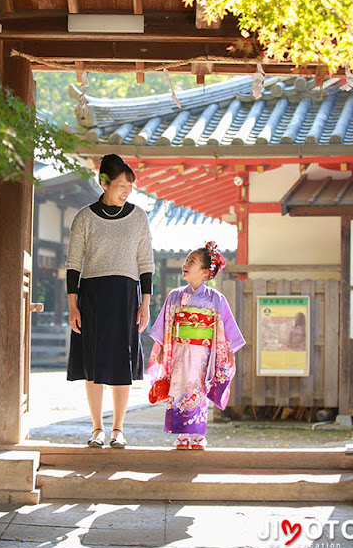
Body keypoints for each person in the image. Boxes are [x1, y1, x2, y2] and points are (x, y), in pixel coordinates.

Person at [66, 154, 154, 449]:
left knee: (122, 364)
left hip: (126, 297)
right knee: (93, 364)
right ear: (103, 182)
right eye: (120, 184)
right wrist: (72, 306)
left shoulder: (139, 217)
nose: (126, 190)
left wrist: (145, 303)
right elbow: (73, 265)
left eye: (129, 185)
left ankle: (118, 429)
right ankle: (96, 428)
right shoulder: (84, 218)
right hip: (92, 296)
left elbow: (146, 263)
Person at [148, 241, 245, 450]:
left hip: (203, 355)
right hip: (179, 352)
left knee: (198, 390)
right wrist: (162, 348)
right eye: (185, 260)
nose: (185, 264)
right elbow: (165, 325)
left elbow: (226, 331)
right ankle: (182, 435)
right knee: (178, 388)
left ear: (205, 272)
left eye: (191, 261)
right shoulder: (174, 295)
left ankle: (198, 434)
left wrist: (226, 354)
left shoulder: (216, 299)